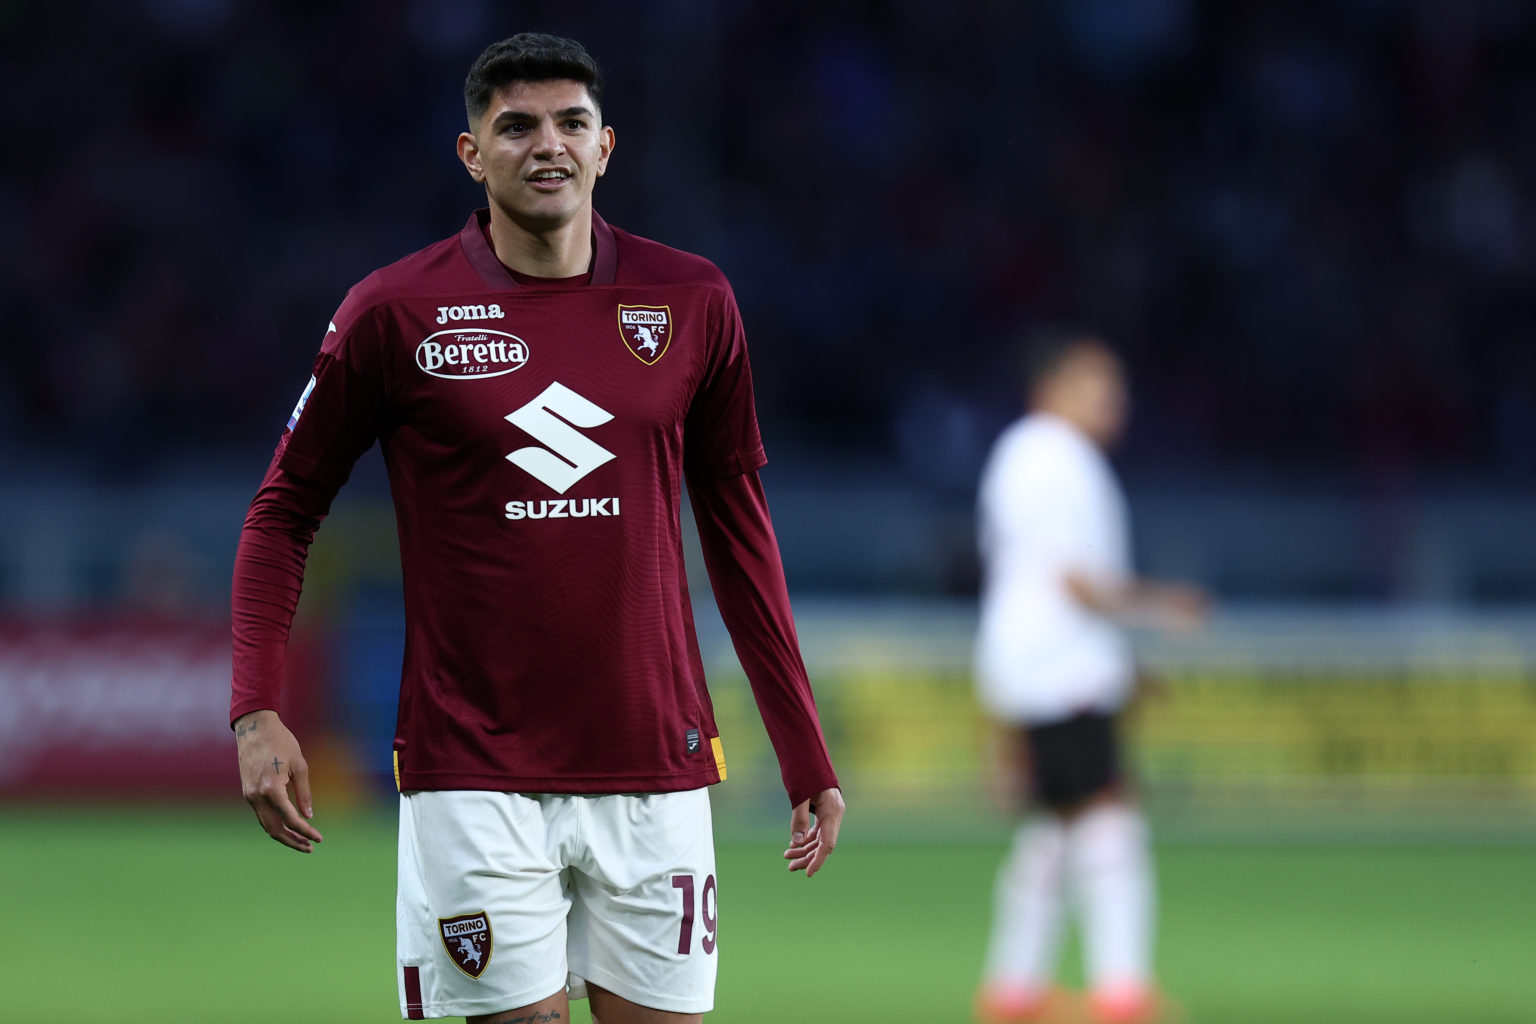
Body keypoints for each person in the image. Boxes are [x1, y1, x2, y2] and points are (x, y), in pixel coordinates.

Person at [230, 33, 844, 1024]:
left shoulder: (692, 301)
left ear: (608, 147)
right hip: (472, 771)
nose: (545, 144)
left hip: (657, 763)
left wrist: (802, 747)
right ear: (471, 153)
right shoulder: (394, 312)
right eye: (515, 126)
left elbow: (739, 535)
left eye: (570, 123)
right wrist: (256, 709)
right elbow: (282, 509)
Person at [971, 332, 1205, 1024]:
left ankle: (1013, 991)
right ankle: (1121, 994)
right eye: (1095, 383)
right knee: (1108, 823)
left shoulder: (1033, 455)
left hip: (1045, 667)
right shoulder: (1053, 457)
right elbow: (1074, 580)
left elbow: (1042, 578)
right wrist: (1161, 607)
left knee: (1058, 829)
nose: (1113, 399)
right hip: (1057, 672)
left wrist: (1122, 661)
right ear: (1051, 388)